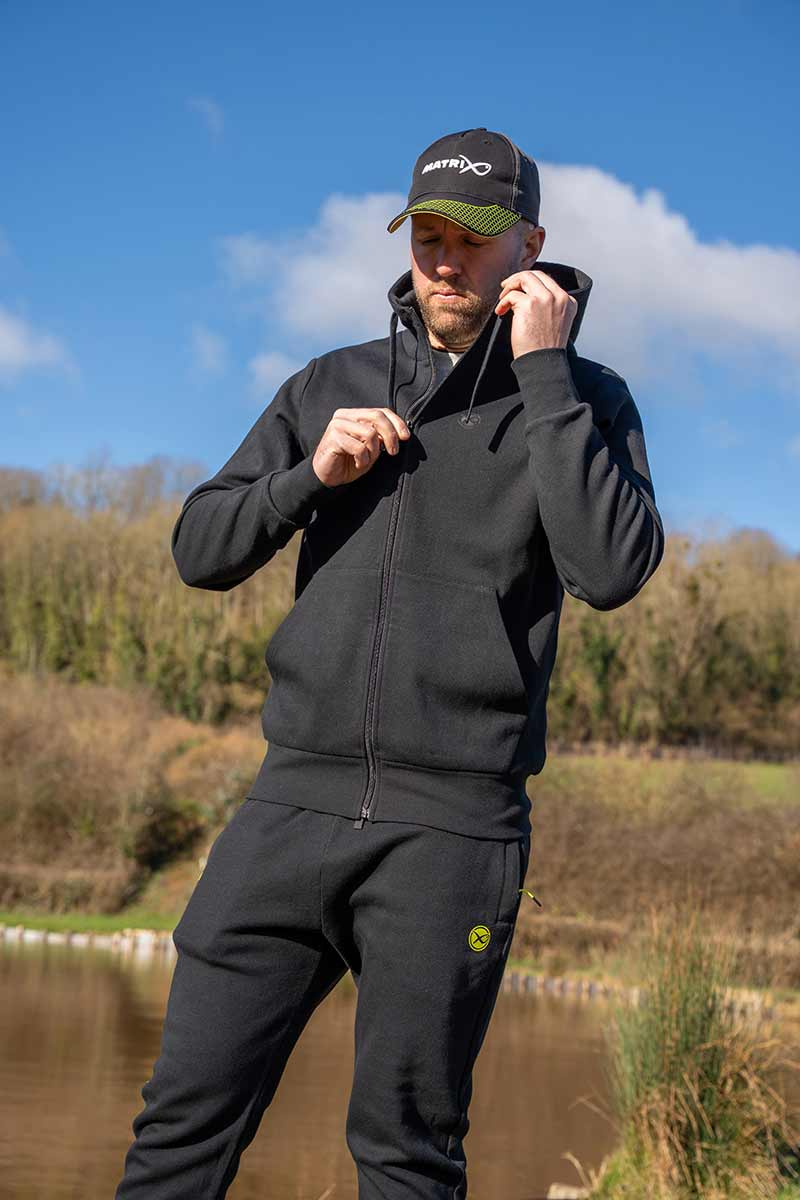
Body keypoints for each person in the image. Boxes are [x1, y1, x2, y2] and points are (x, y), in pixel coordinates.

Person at [114, 127, 664, 1198]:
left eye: (473, 239)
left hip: (452, 834)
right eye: (427, 238)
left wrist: (546, 374)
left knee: (407, 1157)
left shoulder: (585, 399)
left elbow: (610, 570)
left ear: (529, 247)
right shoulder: (329, 382)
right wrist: (306, 478)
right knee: (177, 1134)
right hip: (286, 811)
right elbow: (199, 551)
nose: (445, 263)